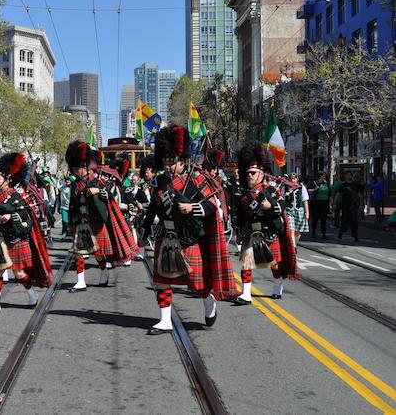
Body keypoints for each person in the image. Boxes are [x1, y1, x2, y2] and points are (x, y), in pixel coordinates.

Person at [139, 126, 236, 334]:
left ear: (182, 160)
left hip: (189, 238)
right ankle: (165, 320)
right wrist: (144, 232)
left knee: (197, 282)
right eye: (164, 162)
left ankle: (209, 302)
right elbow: (153, 209)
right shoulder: (159, 181)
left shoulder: (196, 179)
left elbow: (213, 206)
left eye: (171, 162)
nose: (167, 167)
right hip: (165, 236)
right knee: (162, 280)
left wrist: (192, 208)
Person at [65, 140, 137, 292]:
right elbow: (73, 204)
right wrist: (71, 222)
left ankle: (103, 271)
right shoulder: (74, 184)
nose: (76, 171)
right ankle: (81, 281)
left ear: (85, 167)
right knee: (78, 253)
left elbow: (110, 195)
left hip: (96, 222)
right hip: (81, 222)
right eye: (74, 168)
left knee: (98, 254)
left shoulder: (99, 181)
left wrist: (97, 191)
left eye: (78, 168)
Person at [0, 153, 53, 312]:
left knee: (19, 273)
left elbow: (26, 219)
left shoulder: (17, 196)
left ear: (8, 180)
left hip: (15, 240)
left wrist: (11, 216)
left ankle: (32, 294)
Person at [235, 141, 299, 304]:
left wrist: (270, 206)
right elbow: (241, 216)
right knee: (247, 265)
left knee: (274, 265)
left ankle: (277, 286)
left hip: (269, 233)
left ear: (261, 172)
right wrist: (239, 233)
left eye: (253, 172)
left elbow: (281, 206)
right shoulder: (244, 195)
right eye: (248, 172)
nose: (250, 175)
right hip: (251, 232)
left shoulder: (271, 190)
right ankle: (246, 294)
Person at [284, 173, 310, 245]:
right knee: (291, 230)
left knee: (297, 232)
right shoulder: (285, 187)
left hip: (299, 211)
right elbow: (282, 199)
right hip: (289, 211)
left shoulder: (302, 187)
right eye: (291, 179)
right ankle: (293, 248)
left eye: (295, 179)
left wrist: (307, 212)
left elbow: (305, 200)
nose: (293, 180)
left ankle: (295, 243)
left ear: (297, 179)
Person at [308, 171, 331, 239]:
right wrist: (315, 189)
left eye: (325, 176)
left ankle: (323, 234)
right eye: (323, 176)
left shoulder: (326, 183)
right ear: (320, 176)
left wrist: (331, 202)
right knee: (315, 218)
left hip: (325, 203)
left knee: (323, 219)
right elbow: (308, 190)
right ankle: (314, 232)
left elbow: (329, 193)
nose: (324, 177)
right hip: (316, 203)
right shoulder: (314, 183)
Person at [338, 173, 360, 241]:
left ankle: (355, 236)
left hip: (354, 205)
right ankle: (341, 233)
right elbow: (339, 194)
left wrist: (361, 204)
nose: (349, 176)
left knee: (354, 221)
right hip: (345, 205)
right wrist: (335, 203)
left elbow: (359, 194)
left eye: (350, 175)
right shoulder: (343, 185)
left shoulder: (355, 185)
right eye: (347, 175)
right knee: (344, 219)